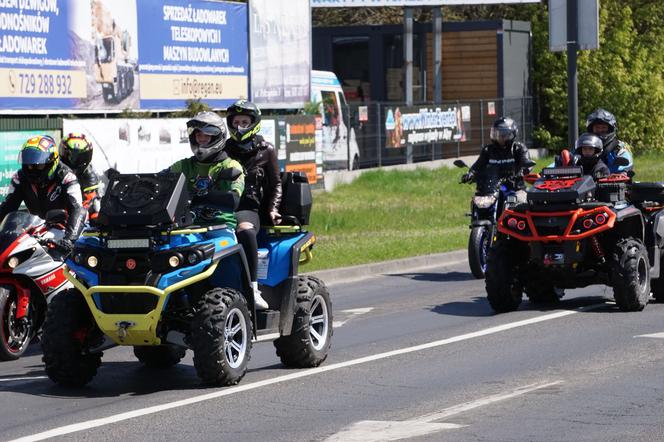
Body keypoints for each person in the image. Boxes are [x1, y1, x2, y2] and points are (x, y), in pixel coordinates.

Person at [224, 99, 282, 310]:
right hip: (222, 207)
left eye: (245, 121)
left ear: (254, 123)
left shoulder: (266, 150)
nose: (240, 126)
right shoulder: (223, 149)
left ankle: (253, 289)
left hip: (249, 208)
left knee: (245, 230)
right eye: (236, 121)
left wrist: (272, 209)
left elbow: (276, 183)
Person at [0, 135, 86, 255]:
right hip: (36, 228)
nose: (33, 170)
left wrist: (70, 240)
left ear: (52, 161)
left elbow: (78, 209)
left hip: (64, 231)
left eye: (39, 165)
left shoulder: (67, 177)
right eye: (29, 165)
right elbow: (7, 208)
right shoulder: (20, 178)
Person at [163, 112, 244, 231]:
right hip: (188, 228)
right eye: (198, 135)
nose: (202, 139)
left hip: (221, 227)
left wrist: (200, 198)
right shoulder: (183, 165)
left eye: (207, 135)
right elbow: (159, 180)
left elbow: (234, 200)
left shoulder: (230, 165)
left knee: (222, 246)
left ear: (217, 137)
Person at [461, 117, 532, 186]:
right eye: (497, 134)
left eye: (503, 135)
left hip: (515, 188)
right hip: (491, 188)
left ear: (512, 134)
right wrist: (470, 174)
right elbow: (477, 166)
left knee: (520, 197)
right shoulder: (488, 150)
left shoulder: (518, 148)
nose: (500, 137)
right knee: (478, 198)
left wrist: (522, 173)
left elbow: (527, 163)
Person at [59, 133, 101, 221]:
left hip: (79, 218)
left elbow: (90, 202)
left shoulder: (89, 174)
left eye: (80, 157)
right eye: (69, 155)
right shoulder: (58, 170)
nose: (73, 161)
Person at [585, 108, 633, 174]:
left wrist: (621, 161)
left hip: (613, 181)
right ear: (591, 129)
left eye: (603, 128)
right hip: (586, 181)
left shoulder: (619, 147)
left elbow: (627, 161)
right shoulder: (584, 145)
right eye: (597, 128)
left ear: (610, 129)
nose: (600, 130)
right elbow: (573, 158)